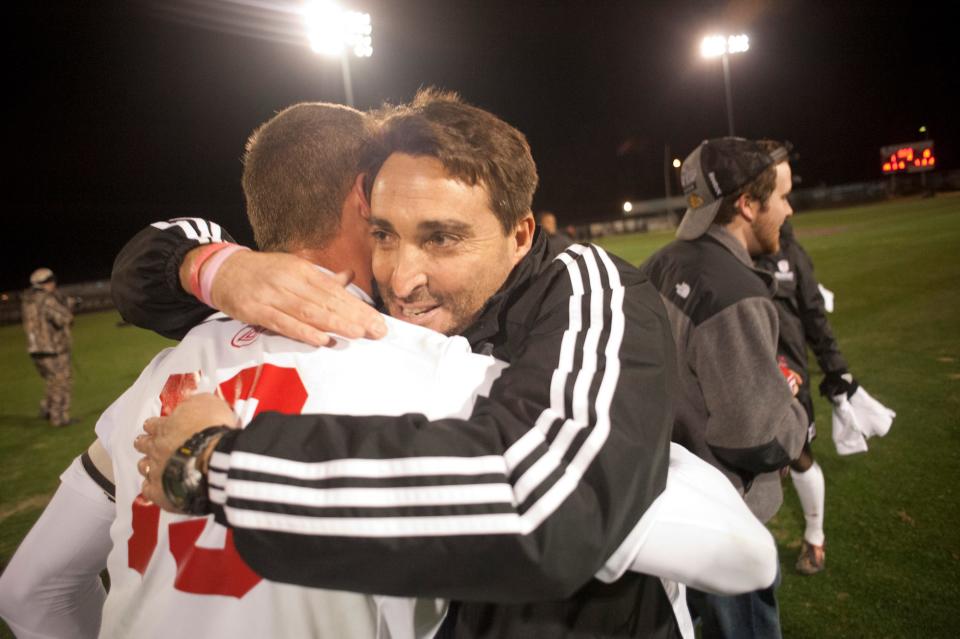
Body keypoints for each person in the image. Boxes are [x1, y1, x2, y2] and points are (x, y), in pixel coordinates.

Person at [0, 98, 776, 639]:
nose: (403, 277)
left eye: (441, 237)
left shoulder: (166, 373)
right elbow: (737, 548)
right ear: (360, 206)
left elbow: (31, 589)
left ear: (519, 235)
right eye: (384, 232)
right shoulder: (430, 370)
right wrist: (210, 265)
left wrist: (220, 459)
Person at [642, 137, 809, 639]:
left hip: (670, 499)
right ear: (746, 203)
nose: (788, 207)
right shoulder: (735, 292)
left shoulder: (662, 261)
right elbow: (755, 435)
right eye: (779, 197)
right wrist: (798, 416)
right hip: (723, 515)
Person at [755, 220, 890, 575]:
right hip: (746, 376)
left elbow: (815, 316)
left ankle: (815, 537)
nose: (789, 207)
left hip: (790, 377)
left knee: (798, 454)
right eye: (781, 197)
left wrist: (835, 369)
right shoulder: (733, 252)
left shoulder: (792, 255)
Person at [21, 267, 76, 427]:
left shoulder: (28, 300)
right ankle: (59, 418)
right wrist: (69, 307)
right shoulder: (47, 299)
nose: (53, 284)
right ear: (44, 283)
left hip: (35, 349)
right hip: (53, 348)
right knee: (62, 381)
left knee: (52, 380)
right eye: (50, 281)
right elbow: (64, 319)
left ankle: (47, 409)